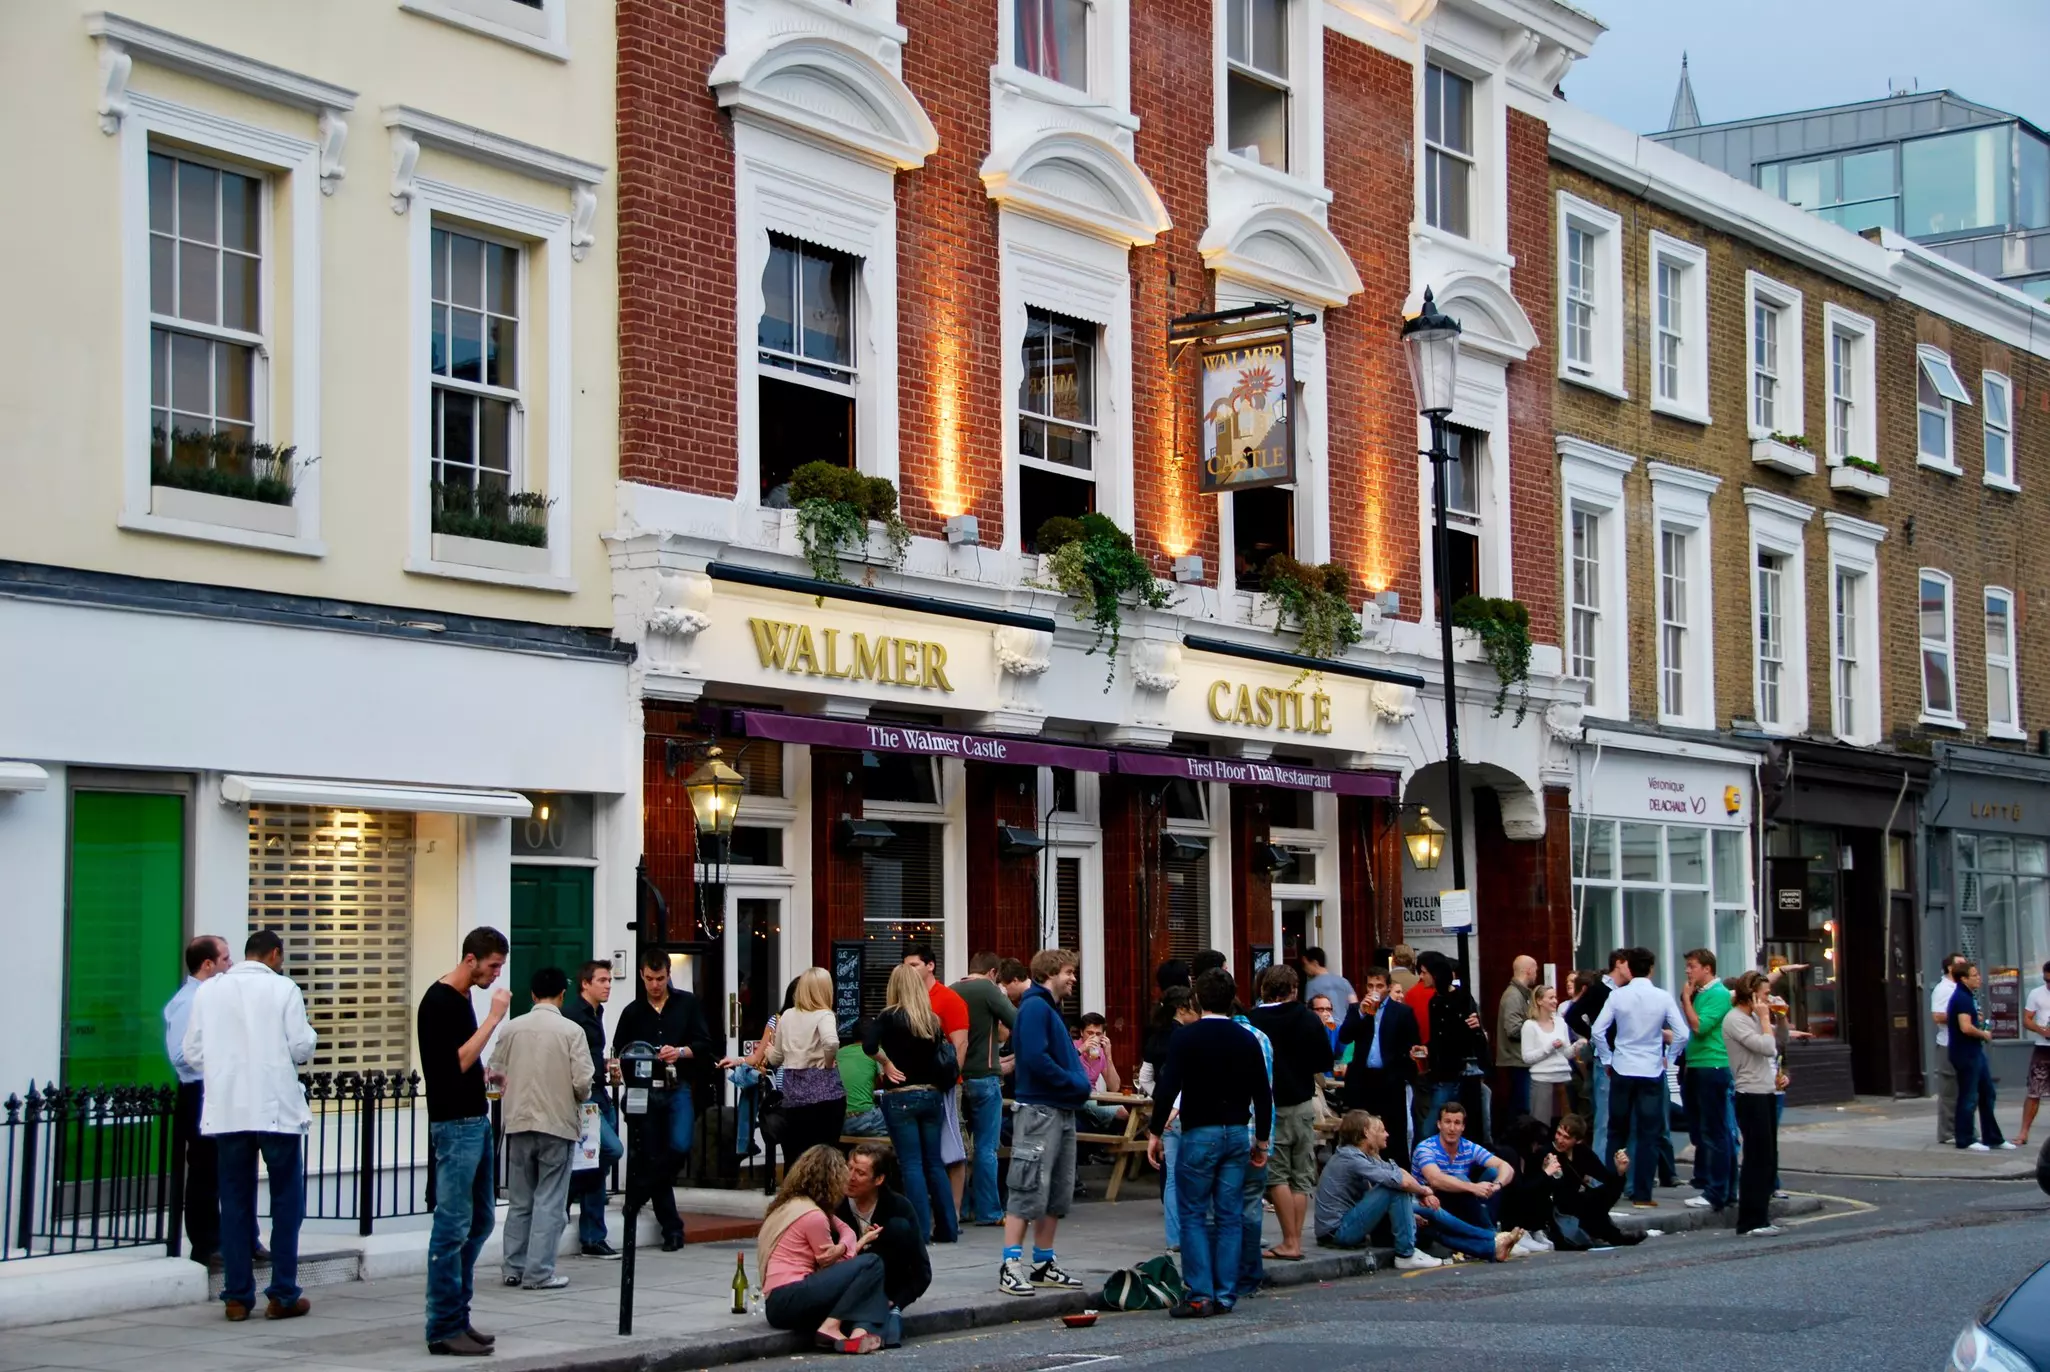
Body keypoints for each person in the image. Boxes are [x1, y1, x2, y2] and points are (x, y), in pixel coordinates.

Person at [181, 928, 315, 1323]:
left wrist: (224, 1069)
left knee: (235, 1202)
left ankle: (237, 1296)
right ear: (274, 954)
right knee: (287, 1203)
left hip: (229, 1108)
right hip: (276, 1108)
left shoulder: (209, 991)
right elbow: (300, 1046)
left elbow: (192, 1051)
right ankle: (283, 1293)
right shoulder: (283, 989)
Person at [1147, 968, 1272, 1318]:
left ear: (1198, 999)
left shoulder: (1186, 1038)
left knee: (1193, 1213)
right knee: (1230, 1215)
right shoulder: (1247, 1038)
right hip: (1236, 1131)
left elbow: (1168, 1086)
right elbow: (1263, 1095)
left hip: (1200, 1131)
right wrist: (1261, 1141)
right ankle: (1225, 1294)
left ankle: (1200, 1293)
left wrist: (1155, 1131)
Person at [418, 927, 512, 1357]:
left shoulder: (460, 999)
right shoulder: (438, 1002)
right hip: (455, 1126)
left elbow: (463, 1061)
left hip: (474, 1119)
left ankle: (459, 1314)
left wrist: (486, 1075)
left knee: (480, 1221)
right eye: (492, 966)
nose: (496, 975)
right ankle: (442, 1326)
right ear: (470, 959)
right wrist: (493, 1019)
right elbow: (452, 1061)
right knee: (452, 1226)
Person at [493, 965, 595, 1292]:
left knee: (520, 1200)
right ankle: (539, 1272)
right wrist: (578, 1096)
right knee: (549, 1200)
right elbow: (582, 1082)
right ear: (562, 996)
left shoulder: (511, 1029)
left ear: (533, 995)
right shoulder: (571, 1031)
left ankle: (514, 1266)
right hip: (557, 1122)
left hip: (519, 1122)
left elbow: (494, 1073)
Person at [998, 949, 1090, 1298]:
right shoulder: (1036, 1008)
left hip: (1059, 1110)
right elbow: (1035, 1059)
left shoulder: (1046, 1008)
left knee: (1054, 1192)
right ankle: (1010, 1266)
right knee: (1026, 1188)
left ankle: (1043, 1263)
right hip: (1039, 1111)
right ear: (1050, 972)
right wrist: (1076, 1083)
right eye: (1069, 972)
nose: (1073, 979)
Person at [613, 949, 715, 1253]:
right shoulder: (632, 1011)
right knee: (653, 1152)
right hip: (644, 1088)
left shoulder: (687, 1004)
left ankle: (640, 1191)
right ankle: (672, 1229)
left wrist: (680, 1051)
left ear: (669, 974)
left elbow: (705, 1044)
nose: (655, 985)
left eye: (659, 979)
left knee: (680, 1144)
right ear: (642, 976)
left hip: (676, 1084)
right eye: (649, 979)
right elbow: (621, 1049)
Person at [1315, 1109, 1507, 1266]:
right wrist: (1424, 1191)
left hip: (1353, 1223)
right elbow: (1402, 1182)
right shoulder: (1351, 1158)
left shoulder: (1366, 1156)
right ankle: (1406, 1254)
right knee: (1395, 1188)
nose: (1386, 1134)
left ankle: (1490, 1246)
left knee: (1427, 1218)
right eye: (1381, 1130)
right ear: (1366, 1133)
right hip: (1337, 1232)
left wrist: (1414, 1205)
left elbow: (1401, 1173)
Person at [757, 1145, 889, 1355]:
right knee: (872, 1263)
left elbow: (845, 1229)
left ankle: (857, 1336)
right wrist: (852, 1247)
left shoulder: (793, 1206)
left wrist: (844, 1245)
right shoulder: (813, 1217)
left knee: (870, 1293)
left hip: (778, 1302)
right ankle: (831, 1328)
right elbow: (834, 1265)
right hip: (790, 1297)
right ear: (832, 1179)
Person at [865, 964, 960, 1246]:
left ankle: (920, 1232)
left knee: (911, 1164)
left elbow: (868, 1045)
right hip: (932, 1096)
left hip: (901, 1096)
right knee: (934, 1163)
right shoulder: (931, 1019)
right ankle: (948, 1228)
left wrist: (886, 1062)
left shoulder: (888, 1016)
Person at [1247, 963, 1332, 1262]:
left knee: (1277, 1176)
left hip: (1273, 1105)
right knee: (1300, 1175)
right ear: (1294, 990)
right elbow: (1324, 1060)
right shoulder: (1309, 1018)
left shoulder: (1254, 1020)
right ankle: (1293, 1240)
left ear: (1264, 989)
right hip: (1305, 1102)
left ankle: (1290, 1242)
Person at [1590, 946, 1688, 1207]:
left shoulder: (1617, 997)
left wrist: (1608, 1059)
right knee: (1648, 1134)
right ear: (1651, 969)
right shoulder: (1662, 997)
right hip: (1651, 1070)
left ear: (1629, 968)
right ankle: (1643, 1194)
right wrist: (1671, 1057)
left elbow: (1598, 1031)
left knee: (1616, 1132)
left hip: (1622, 1068)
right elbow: (1683, 1034)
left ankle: (1612, 1189)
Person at [165, 934, 235, 1265]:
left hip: (217, 1087)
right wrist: (221, 1057)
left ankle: (230, 1238)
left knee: (224, 1167)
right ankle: (205, 1244)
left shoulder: (214, 997)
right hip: (198, 1090)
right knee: (205, 1170)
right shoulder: (188, 1001)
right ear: (207, 964)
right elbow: (181, 1056)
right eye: (224, 959)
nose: (230, 964)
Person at [902, 948, 971, 1219]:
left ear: (930, 965)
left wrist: (951, 1078)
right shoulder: (908, 1000)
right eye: (906, 965)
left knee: (952, 1145)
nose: (909, 970)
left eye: (915, 964)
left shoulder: (948, 999)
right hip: (916, 1085)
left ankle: (953, 1211)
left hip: (944, 1083)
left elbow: (961, 1043)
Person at [837, 1140, 931, 1335]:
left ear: (879, 1180)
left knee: (898, 1228)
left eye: (860, 1173)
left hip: (886, 1288)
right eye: (849, 1168)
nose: (850, 1177)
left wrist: (898, 1301)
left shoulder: (899, 1207)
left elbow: (922, 1272)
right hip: (844, 1287)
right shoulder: (835, 1205)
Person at [951, 953, 1017, 1226]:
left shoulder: (952, 990)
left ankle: (962, 1206)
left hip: (958, 1079)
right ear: (993, 972)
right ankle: (989, 1211)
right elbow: (1016, 1020)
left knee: (960, 1148)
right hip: (985, 1076)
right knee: (986, 1148)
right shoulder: (988, 989)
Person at [564, 960, 623, 1258]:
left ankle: (593, 1236)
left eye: (609, 980)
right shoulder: (574, 1014)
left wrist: (605, 1068)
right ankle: (564, 1192)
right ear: (585, 983)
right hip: (585, 1096)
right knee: (611, 1151)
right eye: (601, 980)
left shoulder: (596, 1012)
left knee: (596, 1165)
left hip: (600, 1093)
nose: (608, 985)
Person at [1339, 967, 1422, 1168]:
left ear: (1388, 987)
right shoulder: (1357, 1010)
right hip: (1363, 1078)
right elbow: (1344, 1036)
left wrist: (1405, 1075)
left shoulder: (1402, 1012)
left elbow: (1412, 1045)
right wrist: (1360, 1012)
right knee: (1360, 1130)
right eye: (1370, 985)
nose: (1374, 990)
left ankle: (1396, 1173)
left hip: (1390, 1079)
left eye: (1379, 986)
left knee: (1393, 1132)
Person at [765, 968, 850, 1163]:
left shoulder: (786, 1016)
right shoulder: (824, 1015)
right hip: (824, 1093)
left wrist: (769, 1051)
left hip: (794, 1094)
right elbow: (831, 1042)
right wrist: (828, 1062)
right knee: (825, 1156)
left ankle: (797, 1192)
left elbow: (776, 1058)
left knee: (796, 1156)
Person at [1724, 971, 1784, 1236]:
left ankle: (1762, 1216)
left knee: (1768, 1158)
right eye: (1764, 993)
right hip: (1750, 1093)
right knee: (1756, 1159)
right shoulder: (1735, 1020)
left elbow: (1779, 1043)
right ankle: (1750, 1221)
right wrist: (1763, 1019)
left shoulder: (1751, 1018)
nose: (1767, 997)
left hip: (1766, 1090)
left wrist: (1778, 1017)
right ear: (1750, 993)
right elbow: (1766, 1047)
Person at [1679, 948, 1736, 1214]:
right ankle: (1725, 1188)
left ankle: (1716, 1192)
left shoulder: (1718, 994)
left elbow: (1699, 1027)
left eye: (1692, 966)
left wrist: (1686, 1000)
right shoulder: (1704, 994)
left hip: (1711, 1066)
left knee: (1715, 1132)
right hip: (1698, 1065)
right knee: (1710, 1130)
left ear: (1707, 969)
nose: (1688, 971)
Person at [1144, 987, 1200, 1252]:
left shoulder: (1156, 1037)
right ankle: (1196, 1232)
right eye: (1193, 1007)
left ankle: (1174, 1237)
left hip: (1166, 1110)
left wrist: (1161, 1103)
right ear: (1182, 1008)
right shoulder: (1188, 1038)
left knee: (1173, 1177)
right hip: (1187, 1109)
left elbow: (1146, 1077)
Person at [1412, 1101, 1515, 1234]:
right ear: (1439, 1124)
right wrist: (1473, 1187)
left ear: (1463, 1127)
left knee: (1494, 1173)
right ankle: (1491, 1234)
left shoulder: (1468, 1146)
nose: (1452, 1128)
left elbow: (1506, 1167)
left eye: (1457, 1123)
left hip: (1460, 1196)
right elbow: (1435, 1179)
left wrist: (1496, 1185)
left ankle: (1490, 1228)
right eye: (1447, 1122)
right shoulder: (1426, 1148)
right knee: (1461, 1178)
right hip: (1430, 1198)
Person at [1547, 1114, 1641, 1249]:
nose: (1560, 1140)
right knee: (1582, 1203)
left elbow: (1606, 1178)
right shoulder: (1547, 1152)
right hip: (1556, 1207)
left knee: (1603, 1193)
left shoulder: (1582, 1152)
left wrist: (1620, 1171)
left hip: (1576, 1203)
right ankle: (1613, 1236)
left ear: (1577, 1141)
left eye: (1566, 1138)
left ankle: (1611, 1235)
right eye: (1559, 1134)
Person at [1949, 960, 2014, 1152]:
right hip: (1965, 1053)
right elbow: (1965, 1027)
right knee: (1968, 1096)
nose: (1979, 978)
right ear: (1963, 978)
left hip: (1974, 1051)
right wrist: (1984, 1033)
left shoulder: (1968, 996)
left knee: (1987, 1093)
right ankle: (1965, 1139)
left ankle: (1993, 1137)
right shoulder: (1962, 997)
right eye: (1975, 975)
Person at [1566, 955, 1620, 1157]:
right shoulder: (1600, 990)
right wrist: (1593, 1036)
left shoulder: (1618, 991)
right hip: (1604, 1058)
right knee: (1603, 1119)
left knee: (1606, 1118)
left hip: (1609, 1057)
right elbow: (1572, 1016)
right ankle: (1599, 1174)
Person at [1519, 984, 1572, 1125]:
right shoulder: (1530, 1026)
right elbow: (1527, 1058)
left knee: (1565, 1125)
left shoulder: (1561, 1022)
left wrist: (1577, 1047)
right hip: (1542, 1080)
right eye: (1551, 998)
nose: (1555, 1001)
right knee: (1541, 1126)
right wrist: (1549, 1048)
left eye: (1556, 997)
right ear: (1539, 1001)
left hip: (1563, 1080)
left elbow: (1566, 1053)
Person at [1495, 955, 1538, 1121]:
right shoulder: (1514, 996)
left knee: (1521, 1107)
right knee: (1521, 1109)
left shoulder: (1521, 994)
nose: (1536, 973)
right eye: (1535, 969)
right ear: (1527, 970)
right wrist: (1536, 1028)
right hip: (1516, 1060)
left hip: (1519, 1059)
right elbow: (1512, 1029)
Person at [1074, 1012, 1129, 1133]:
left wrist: (1108, 1055)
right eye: (1090, 1033)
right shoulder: (1072, 1048)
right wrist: (1082, 1049)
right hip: (1076, 1099)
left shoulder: (1100, 1054)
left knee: (1128, 1115)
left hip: (1093, 1099)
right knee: (1121, 1112)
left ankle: (1105, 1148)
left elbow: (1114, 1087)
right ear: (1081, 1032)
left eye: (1098, 1034)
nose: (1094, 1037)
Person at [1932, 953, 1963, 1145]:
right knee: (1949, 1092)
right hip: (1948, 1045)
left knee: (1964, 1091)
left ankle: (1962, 1128)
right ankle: (1947, 1133)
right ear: (1950, 968)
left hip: (1961, 1045)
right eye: (1961, 964)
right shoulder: (1943, 989)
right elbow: (1937, 1016)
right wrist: (1962, 1018)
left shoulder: (1959, 987)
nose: (1965, 967)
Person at [2020, 960, 2050, 1147]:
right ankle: (2024, 1132)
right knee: (2034, 1091)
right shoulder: (2036, 994)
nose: (2049, 984)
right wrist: (2043, 1031)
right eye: (2046, 980)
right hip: (2043, 1047)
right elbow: (2026, 1019)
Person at [839, 1022, 886, 1137]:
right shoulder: (876, 1051)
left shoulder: (839, 1052)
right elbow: (884, 1081)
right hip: (866, 1117)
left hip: (840, 1120)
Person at [1299, 947, 1354, 1017]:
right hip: (1344, 1026)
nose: (1304, 968)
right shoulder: (1344, 981)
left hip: (1325, 1025)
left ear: (1315, 963)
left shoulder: (1312, 985)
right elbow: (1354, 1005)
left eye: (1305, 964)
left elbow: (1309, 1013)